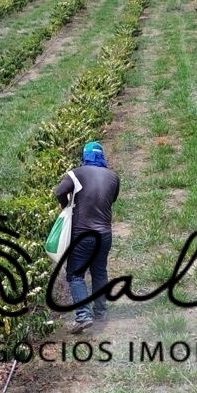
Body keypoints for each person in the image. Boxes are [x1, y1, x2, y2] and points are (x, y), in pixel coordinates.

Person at [52, 141, 121, 332]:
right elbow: (112, 199)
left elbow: (59, 191)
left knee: (75, 274)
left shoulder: (77, 173)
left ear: (86, 156)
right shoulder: (113, 177)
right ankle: (101, 312)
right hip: (105, 234)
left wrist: (65, 206)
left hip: (83, 233)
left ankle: (83, 316)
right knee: (99, 272)